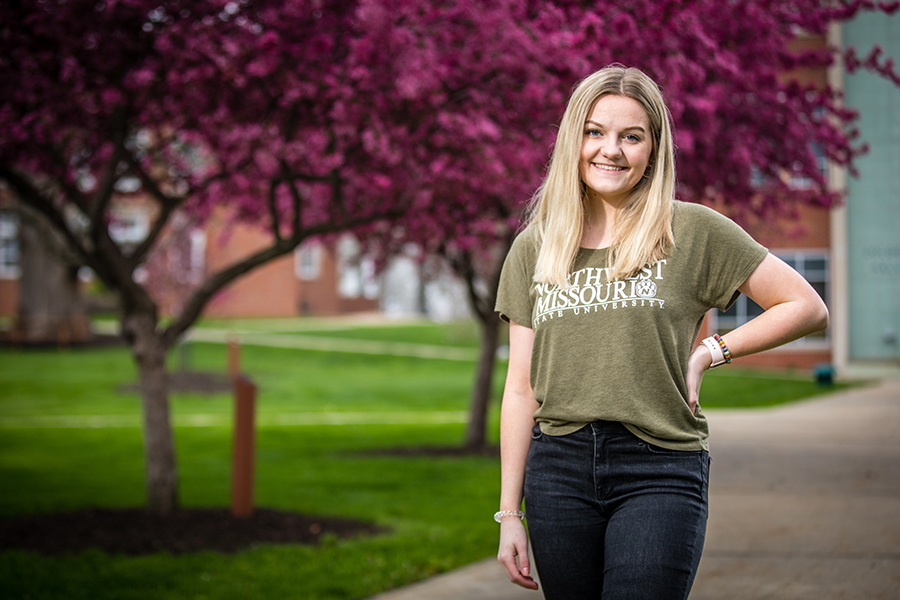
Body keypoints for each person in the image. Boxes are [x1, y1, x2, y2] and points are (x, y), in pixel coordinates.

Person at [494, 65, 829, 599]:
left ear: (654, 150)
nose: (612, 150)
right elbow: (519, 389)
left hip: (659, 468)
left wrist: (711, 351)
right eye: (595, 132)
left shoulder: (692, 231)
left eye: (632, 136)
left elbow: (805, 306)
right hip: (558, 471)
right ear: (572, 140)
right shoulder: (536, 247)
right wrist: (510, 513)